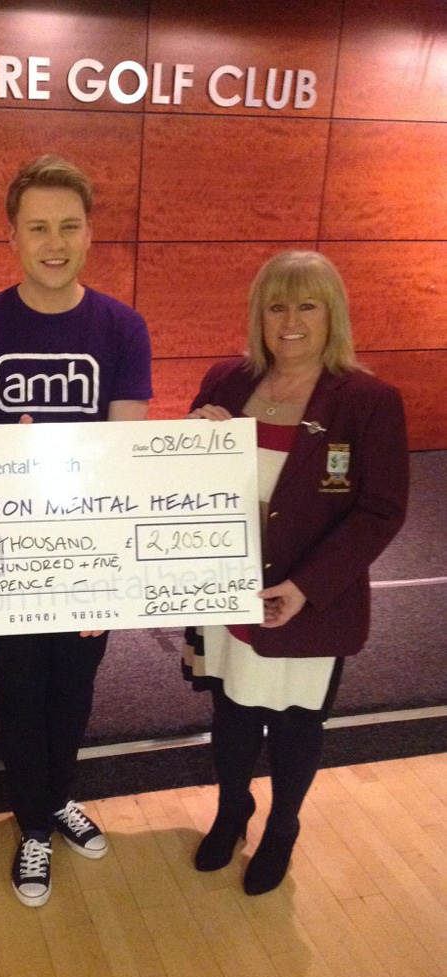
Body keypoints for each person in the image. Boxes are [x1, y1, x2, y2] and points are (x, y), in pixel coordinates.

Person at [0, 154, 152, 905]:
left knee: (75, 690)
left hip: (87, 560)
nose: (53, 242)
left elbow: (123, 452)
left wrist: (112, 579)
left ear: (89, 234)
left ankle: (56, 794)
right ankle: (32, 824)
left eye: (68, 226)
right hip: (5, 558)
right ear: (13, 238)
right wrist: (5, 447)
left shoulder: (123, 327)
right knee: (18, 691)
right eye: (37, 228)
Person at [182, 250, 408, 895]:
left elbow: (382, 509)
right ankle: (232, 812)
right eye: (276, 304)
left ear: (331, 312)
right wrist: (194, 434)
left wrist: (305, 588)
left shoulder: (368, 400)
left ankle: (282, 825)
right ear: (259, 314)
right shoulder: (227, 379)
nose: (290, 319)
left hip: (305, 600)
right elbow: (183, 480)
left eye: (306, 304)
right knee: (228, 711)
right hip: (224, 590)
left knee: (293, 722)